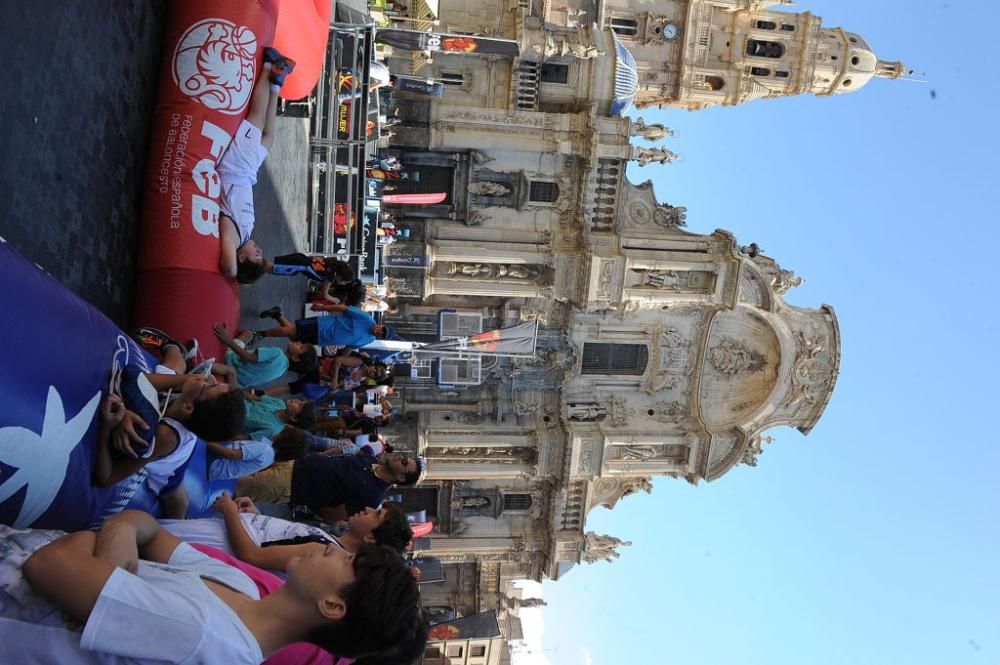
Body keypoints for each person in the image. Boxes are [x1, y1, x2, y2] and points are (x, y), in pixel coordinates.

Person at [0, 510, 427, 664]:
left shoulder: (207, 639)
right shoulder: (238, 584)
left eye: (348, 562)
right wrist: (111, 565)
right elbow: (136, 523)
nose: (330, 549)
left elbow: (48, 564)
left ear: (333, 605)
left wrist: (100, 551)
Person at [93, 373, 245, 519]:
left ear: (188, 408)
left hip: (172, 468)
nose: (211, 376)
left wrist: (106, 428)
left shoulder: (165, 436)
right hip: (186, 442)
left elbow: (106, 480)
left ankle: (177, 528)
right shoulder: (186, 400)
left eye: (211, 385)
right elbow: (142, 379)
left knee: (179, 502)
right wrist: (194, 381)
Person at [217, 49, 297, 283]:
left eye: (256, 256)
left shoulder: (231, 234)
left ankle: (268, 67)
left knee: (257, 118)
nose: (260, 251)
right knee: (270, 137)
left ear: (241, 258)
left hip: (236, 167)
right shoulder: (246, 235)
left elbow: (230, 269)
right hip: (248, 171)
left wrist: (235, 274)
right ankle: (276, 85)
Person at [212, 323, 318, 387]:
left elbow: (247, 357)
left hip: (231, 362)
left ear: (295, 358)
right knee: (248, 338)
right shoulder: (282, 371)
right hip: (238, 381)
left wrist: (227, 339)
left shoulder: (278, 353)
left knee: (248, 333)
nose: (298, 342)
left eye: (300, 347)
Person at [255, 305, 390, 350]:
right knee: (292, 332)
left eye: (382, 334)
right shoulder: (366, 318)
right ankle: (259, 334)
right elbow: (344, 308)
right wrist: (323, 307)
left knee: (294, 338)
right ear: (381, 325)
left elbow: (350, 347)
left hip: (323, 340)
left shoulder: (369, 340)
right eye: (382, 328)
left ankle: (277, 314)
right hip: (323, 325)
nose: (379, 331)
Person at [244, 393, 316, 440]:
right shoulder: (279, 403)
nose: (297, 400)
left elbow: (246, 438)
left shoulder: (273, 430)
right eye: (301, 400)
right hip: (238, 400)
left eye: (300, 405)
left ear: (294, 418)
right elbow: (252, 397)